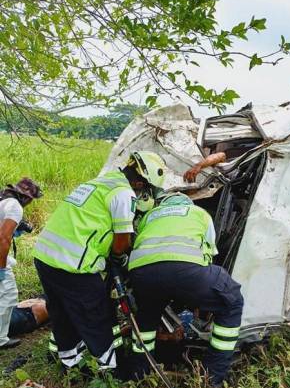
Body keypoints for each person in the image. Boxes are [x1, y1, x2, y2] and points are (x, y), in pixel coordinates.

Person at [33, 152, 167, 371]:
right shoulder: (123, 194)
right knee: (96, 314)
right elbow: (122, 238)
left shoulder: (99, 183)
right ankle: (109, 368)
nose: (142, 192)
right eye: (144, 188)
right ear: (140, 181)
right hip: (73, 264)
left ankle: (69, 362)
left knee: (61, 312)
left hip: (46, 256)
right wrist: (119, 258)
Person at [127, 193, 244, 387]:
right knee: (232, 301)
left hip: (142, 273)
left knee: (147, 315)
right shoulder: (200, 213)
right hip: (187, 271)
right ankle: (212, 377)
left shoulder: (150, 216)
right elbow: (210, 253)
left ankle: (140, 373)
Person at [0, 178, 42, 350]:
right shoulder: (15, 207)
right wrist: (1, 268)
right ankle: (1, 339)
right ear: (27, 198)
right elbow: (3, 238)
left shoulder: (3, 200)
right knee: (8, 295)